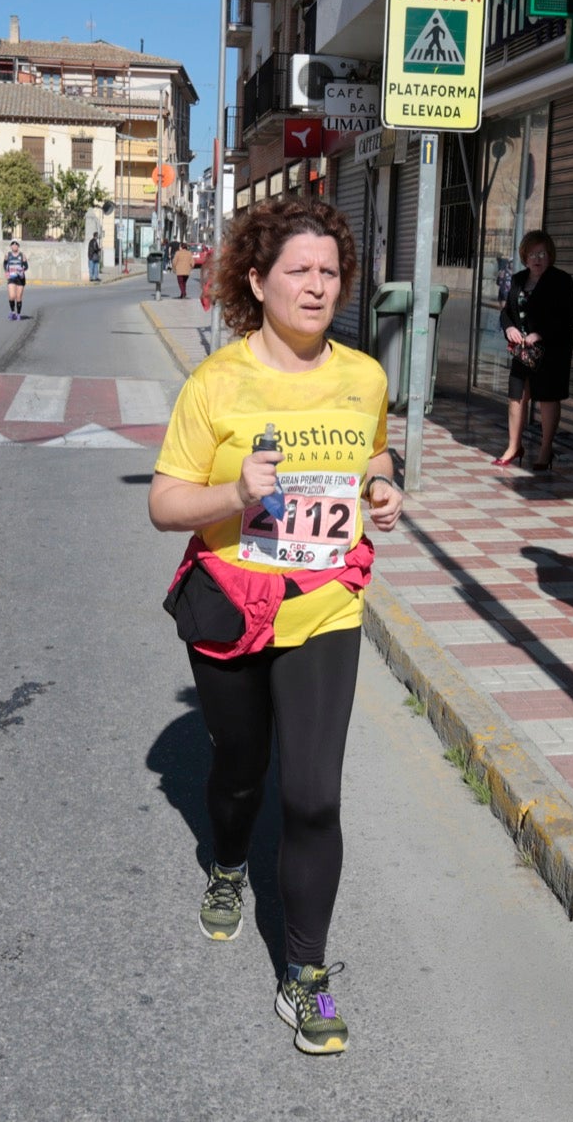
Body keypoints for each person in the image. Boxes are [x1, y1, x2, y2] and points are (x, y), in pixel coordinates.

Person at [148, 196, 403, 1057]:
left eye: (330, 271)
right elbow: (163, 502)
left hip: (326, 604)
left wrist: (383, 482)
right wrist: (234, 495)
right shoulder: (215, 384)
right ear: (256, 280)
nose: (317, 285)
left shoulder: (364, 375)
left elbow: (371, 447)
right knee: (241, 771)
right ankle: (226, 863)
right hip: (231, 605)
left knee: (314, 794)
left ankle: (306, 975)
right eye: (299, 269)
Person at [493, 229, 573, 472]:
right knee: (516, 396)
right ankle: (514, 446)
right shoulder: (518, 279)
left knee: (548, 398)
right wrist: (509, 329)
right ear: (524, 257)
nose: (537, 259)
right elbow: (506, 311)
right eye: (532, 254)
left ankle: (545, 449)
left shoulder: (561, 280)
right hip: (523, 352)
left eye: (542, 253)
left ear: (550, 255)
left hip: (552, 351)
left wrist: (539, 334)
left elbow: (569, 316)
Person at [3, 240, 27, 319]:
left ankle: (18, 314)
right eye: (12, 244)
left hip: (20, 278)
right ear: (10, 246)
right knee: (12, 296)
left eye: (16, 244)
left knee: (18, 296)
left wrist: (22, 269)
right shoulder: (8, 255)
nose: (14, 246)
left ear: (18, 246)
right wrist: (7, 271)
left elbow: (26, 266)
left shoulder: (22, 255)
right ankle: (13, 312)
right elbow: (5, 265)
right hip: (12, 277)